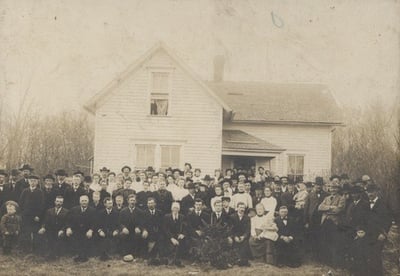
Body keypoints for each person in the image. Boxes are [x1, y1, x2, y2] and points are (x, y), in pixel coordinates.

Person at [365, 183, 392, 276]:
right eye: (368, 192)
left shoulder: (383, 204)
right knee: (367, 256)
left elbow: (388, 221)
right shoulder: (365, 204)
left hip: (378, 235)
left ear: (377, 192)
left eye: (372, 191)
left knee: (376, 257)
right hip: (367, 234)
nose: (370, 194)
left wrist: (383, 234)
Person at [318, 182, 346, 267]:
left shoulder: (341, 198)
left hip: (334, 222)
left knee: (334, 242)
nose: (333, 189)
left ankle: (334, 262)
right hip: (325, 221)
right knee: (324, 241)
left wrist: (326, 208)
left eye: (335, 188)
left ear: (338, 189)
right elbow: (319, 208)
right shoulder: (326, 198)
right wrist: (330, 207)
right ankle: (325, 260)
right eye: (331, 188)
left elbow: (338, 210)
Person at [19, 174, 44, 252]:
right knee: (26, 232)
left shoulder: (39, 192)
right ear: (29, 182)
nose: (33, 183)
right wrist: (22, 213)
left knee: (35, 232)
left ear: (37, 182)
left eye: (34, 181)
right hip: (26, 216)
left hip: (35, 217)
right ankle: (25, 249)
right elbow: (21, 203)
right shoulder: (25, 191)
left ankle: (36, 249)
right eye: (31, 181)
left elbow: (41, 205)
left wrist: (38, 215)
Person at [66, 195, 96, 262]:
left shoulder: (92, 210)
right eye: (82, 201)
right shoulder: (74, 210)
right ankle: (78, 254)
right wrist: (68, 228)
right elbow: (68, 220)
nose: (84, 202)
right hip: (76, 230)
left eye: (85, 201)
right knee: (75, 237)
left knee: (86, 238)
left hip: (87, 230)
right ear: (79, 202)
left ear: (88, 201)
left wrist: (91, 230)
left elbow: (94, 222)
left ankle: (84, 255)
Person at [38, 195, 69, 260]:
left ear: (62, 203)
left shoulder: (66, 212)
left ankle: (56, 254)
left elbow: (67, 223)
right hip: (50, 230)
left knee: (59, 237)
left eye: (60, 202)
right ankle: (45, 253)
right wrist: (43, 228)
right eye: (57, 201)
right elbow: (45, 221)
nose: (58, 203)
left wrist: (62, 230)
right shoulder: (49, 211)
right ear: (55, 202)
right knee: (42, 234)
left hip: (60, 230)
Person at [303, 180, 328, 260]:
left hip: (322, 218)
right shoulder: (310, 195)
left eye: (320, 185)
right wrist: (306, 221)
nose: (318, 186)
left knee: (321, 236)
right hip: (312, 218)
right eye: (317, 185)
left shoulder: (326, 195)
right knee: (312, 236)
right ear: (314, 185)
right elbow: (306, 209)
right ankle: (313, 255)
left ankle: (320, 255)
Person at [118, 194, 146, 260]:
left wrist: (138, 227)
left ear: (136, 201)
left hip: (135, 231)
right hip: (126, 230)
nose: (132, 202)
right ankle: (125, 253)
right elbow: (120, 223)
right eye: (131, 200)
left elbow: (142, 222)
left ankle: (135, 254)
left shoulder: (140, 212)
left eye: (134, 200)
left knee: (138, 235)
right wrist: (123, 228)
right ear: (128, 201)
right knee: (122, 235)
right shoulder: (123, 211)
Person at [162, 202, 187, 267]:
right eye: (174, 208)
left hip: (178, 236)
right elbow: (165, 229)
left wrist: (183, 234)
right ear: (171, 209)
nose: (175, 210)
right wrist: (171, 238)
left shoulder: (182, 217)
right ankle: (172, 261)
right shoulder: (167, 216)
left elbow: (185, 227)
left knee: (180, 243)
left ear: (179, 209)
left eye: (177, 208)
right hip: (169, 236)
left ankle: (175, 260)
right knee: (171, 245)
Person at [143, 197, 164, 265]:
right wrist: (144, 230)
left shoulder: (160, 212)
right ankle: (146, 257)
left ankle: (158, 256)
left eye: (152, 203)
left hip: (158, 232)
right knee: (144, 237)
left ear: (155, 204)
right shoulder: (144, 213)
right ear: (147, 204)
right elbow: (142, 224)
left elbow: (162, 225)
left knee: (161, 238)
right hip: (148, 232)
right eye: (149, 203)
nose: (150, 205)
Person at [229, 202, 251, 267]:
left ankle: (243, 260)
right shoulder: (232, 217)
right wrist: (235, 237)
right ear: (237, 208)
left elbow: (248, 229)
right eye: (240, 207)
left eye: (243, 208)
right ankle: (235, 260)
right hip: (234, 236)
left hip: (243, 236)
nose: (242, 209)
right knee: (234, 244)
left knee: (245, 243)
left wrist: (243, 236)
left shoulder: (247, 218)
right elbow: (231, 229)